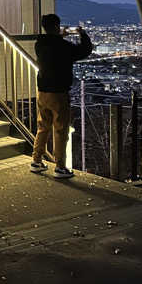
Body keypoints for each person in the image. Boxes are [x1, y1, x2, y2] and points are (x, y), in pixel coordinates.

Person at [31, 14, 93, 179]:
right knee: (60, 129)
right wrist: (82, 34)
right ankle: (60, 167)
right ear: (57, 26)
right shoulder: (64, 46)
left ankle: (36, 161)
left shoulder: (40, 44)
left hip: (42, 91)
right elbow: (85, 50)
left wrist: (59, 36)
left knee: (42, 127)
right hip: (58, 93)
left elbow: (52, 44)